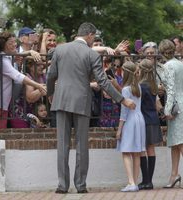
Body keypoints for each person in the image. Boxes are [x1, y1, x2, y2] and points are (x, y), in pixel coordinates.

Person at [46, 22, 136, 194]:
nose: (93, 40)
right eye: (94, 37)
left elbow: (51, 75)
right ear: (89, 35)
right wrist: (123, 100)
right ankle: (80, 185)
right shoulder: (91, 54)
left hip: (62, 100)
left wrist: (51, 94)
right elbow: (103, 81)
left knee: (62, 145)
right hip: (82, 100)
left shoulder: (60, 49)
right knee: (81, 146)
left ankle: (62, 186)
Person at [0, 31, 46, 129]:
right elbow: (19, 77)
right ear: (4, 45)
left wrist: (29, 52)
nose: (15, 44)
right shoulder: (2, 60)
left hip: (3, 104)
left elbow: (19, 54)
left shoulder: (7, 56)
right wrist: (38, 85)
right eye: (11, 43)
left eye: (15, 42)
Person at [116, 61, 146, 192]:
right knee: (137, 153)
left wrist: (119, 129)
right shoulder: (138, 87)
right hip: (140, 119)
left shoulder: (125, 89)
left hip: (130, 120)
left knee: (126, 151)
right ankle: (135, 181)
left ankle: (131, 182)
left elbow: (124, 112)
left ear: (125, 72)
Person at [158, 39, 183, 188]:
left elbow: (171, 90)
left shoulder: (167, 66)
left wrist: (167, 110)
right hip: (181, 103)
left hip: (176, 107)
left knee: (180, 143)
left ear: (161, 52)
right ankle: (174, 175)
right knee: (175, 142)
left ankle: (174, 175)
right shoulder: (180, 64)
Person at [138, 59, 163, 190]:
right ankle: (150, 181)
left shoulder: (141, 86)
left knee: (142, 149)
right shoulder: (153, 85)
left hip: (144, 120)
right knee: (151, 149)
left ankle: (145, 180)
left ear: (141, 70)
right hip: (154, 119)